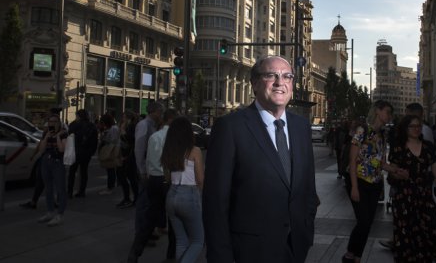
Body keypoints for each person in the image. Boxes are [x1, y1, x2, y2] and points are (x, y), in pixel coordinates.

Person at [203, 56, 318, 263]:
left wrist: (306, 229)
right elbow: (215, 204)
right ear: (254, 84)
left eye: (287, 76)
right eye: (270, 75)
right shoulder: (230, 128)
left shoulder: (301, 127)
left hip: (295, 248)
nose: (279, 82)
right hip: (249, 252)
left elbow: (308, 189)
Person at [387, 114, 436, 262]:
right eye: (412, 126)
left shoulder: (428, 147)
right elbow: (393, 170)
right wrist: (398, 174)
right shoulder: (398, 147)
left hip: (424, 196)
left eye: (418, 126)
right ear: (405, 128)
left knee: (431, 230)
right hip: (403, 198)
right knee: (406, 234)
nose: (416, 129)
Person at [341, 100, 393, 263]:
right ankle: (350, 253)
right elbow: (352, 158)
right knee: (363, 220)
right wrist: (354, 188)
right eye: (387, 111)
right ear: (378, 111)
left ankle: (357, 256)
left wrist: (396, 170)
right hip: (359, 181)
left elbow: (380, 162)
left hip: (375, 183)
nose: (389, 115)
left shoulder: (382, 135)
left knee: (368, 222)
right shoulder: (362, 130)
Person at [128, 106, 175, 263]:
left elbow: (148, 158)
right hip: (168, 180)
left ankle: (135, 252)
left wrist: (145, 172)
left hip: (154, 179)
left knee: (150, 216)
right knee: (173, 218)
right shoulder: (174, 137)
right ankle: (170, 255)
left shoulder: (154, 136)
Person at [161, 116, 204, 263]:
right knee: (198, 240)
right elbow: (200, 179)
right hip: (189, 194)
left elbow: (166, 176)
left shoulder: (169, 151)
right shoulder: (194, 151)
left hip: (172, 194)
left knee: (181, 240)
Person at [37, 114, 68, 226]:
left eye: (55, 121)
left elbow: (61, 149)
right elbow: (41, 149)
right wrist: (46, 137)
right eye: (50, 121)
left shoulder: (63, 133)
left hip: (57, 161)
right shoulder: (46, 133)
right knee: (48, 188)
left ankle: (60, 214)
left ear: (59, 123)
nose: (52, 124)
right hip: (46, 160)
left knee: (60, 188)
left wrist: (58, 137)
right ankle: (50, 211)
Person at [67, 109, 98, 198]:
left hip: (75, 151)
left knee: (72, 172)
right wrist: (91, 152)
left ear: (78, 116)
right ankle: (82, 191)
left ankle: (69, 191)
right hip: (86, 152)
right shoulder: (91, 126)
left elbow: (69, 135)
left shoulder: (74, 125)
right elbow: (94, 141)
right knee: (84, 172)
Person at [116, 110, 139, 208]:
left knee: (130, 177)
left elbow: (131, 140)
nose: (123, 119)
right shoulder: (125, 126)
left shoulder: (132, 127)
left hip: (129, 156)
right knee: (124, 176)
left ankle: (132, 198)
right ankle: (128, 198)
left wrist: (124, 132)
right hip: (124, 154)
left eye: (124, 117)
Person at [98, 113, 119, 195]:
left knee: (111, 169)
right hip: (111, 150)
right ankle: (112, 185)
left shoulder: (113, 129)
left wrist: (104, 138)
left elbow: (113, 140)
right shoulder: (110, 128)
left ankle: (110, 187)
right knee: (111, 169)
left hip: (112, 151)